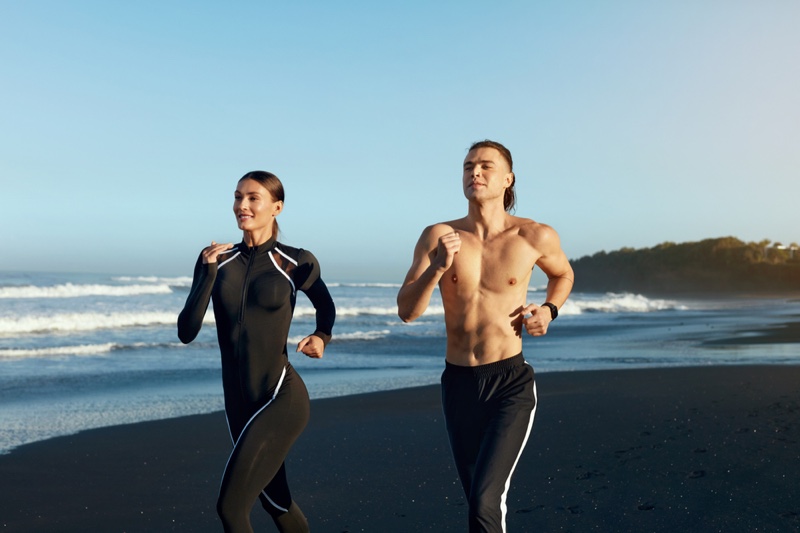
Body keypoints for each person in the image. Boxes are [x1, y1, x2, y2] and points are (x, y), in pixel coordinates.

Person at [397, 140, 574, 532]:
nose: (474, 172)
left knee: (485, 501)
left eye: (485, 166)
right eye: (467, 166)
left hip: (508, 383)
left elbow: (563, 274)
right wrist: (437, 269)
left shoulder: (533, 236)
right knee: (477, 502)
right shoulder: (438, 236)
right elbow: (407, 311)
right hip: (458, 384)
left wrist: (549, 310)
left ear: (508, 179)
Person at [178, 171, 335, 533]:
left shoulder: (294, 261)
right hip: (238, 403)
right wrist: (207, 274)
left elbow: (326, 306)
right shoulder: (216, 260)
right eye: (237, 197)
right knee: (277, 503)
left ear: (276, 207)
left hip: (280, 397)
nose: (242, 205)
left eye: (252, 198)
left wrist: (321, 336)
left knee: (231, 508)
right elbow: (186, 331)